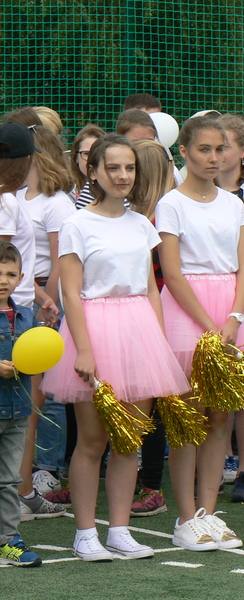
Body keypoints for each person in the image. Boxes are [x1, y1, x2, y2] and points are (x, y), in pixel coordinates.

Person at [41, 134, 190, 561]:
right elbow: (71, 294)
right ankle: (85, 533)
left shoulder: (142, 224)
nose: (123, 176)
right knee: (92, 441)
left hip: (139, 331)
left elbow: (150, 288)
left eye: (129, 168)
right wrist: (84, 349)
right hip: (95, 331)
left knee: (130, 441)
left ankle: (119, 530)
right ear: (93, 171)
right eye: (113, 168)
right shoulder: (77, 225)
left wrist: (157, 341)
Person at [158, 116, 244, 550]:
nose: (214, 158)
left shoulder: (234, 204)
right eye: (204, 149)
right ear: (184, 152)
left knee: (220, 418)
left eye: (220, 149)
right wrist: (212, 328)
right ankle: (186, 518)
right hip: (188, 315)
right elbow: (173, 274)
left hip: (230, 314)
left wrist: (234, 318)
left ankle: (208, 513)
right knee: (188, 420)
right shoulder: (171, 203)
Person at [15, 123, 76, 502]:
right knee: (26, 391)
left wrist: (46, 307)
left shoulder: (57, 202)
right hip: (21, 293)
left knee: (48, 394)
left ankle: (46, 471)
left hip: (43, 298)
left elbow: (59, 263)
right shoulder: (15, 195)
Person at [127, 139, 177, 518]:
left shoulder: (159, 221)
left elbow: (157, 280)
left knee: (154, 405)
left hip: (157, 316)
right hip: (137, 316)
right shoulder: (133, 219)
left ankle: (152, 484)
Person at [214, 113, 244, 502]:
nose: (217, 154)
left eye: (224, 146)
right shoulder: (195, 193)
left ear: (243, 151)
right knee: (215, 385)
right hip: (210, 296)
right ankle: (222, 459)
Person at [0, 240, 39, 567]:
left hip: (17, 412)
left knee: (9, 479)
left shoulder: (26, 316)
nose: (3, 281)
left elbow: (37, 358)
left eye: (11, 274)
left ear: (21, 278)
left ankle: (8, 539)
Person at [69, 125, 105, 200]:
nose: (91, 159)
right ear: (76, 157)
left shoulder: (116, 191)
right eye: (86, 154)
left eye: (97, 153)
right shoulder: (66, 190)